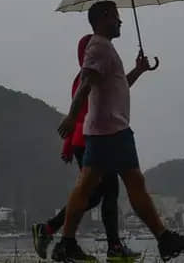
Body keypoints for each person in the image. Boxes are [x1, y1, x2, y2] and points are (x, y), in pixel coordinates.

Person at [50, 0, 184, 262]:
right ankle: (163, 239)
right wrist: (71, 116)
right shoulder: (98, 46)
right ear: (104, 17)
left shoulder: (105, 48)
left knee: (98, 186)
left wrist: (139, 70)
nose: (121, 22)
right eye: (117, 17)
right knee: (120, 185)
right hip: (111, 131)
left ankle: (67, 243)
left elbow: (117, 86)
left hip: (109, 129)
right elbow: (86, 83)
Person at [31, 34, 139, 261]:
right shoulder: (87, 78)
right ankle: (113, 248)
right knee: (108, 191)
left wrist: (139, 70)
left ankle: (49, 230)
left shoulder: (92, 76)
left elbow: (118, 88)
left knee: (94, 194)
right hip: (93, 140)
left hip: (86, 141)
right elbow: (79, 112)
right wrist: (69, 144)